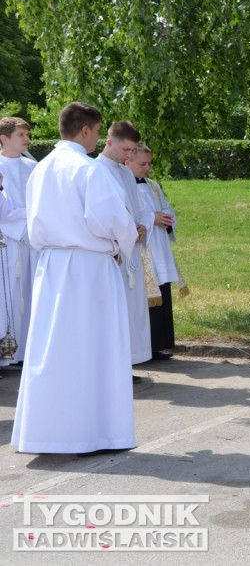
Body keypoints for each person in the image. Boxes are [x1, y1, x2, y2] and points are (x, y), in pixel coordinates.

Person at [10, 102, 139, 455]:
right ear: (86, 130)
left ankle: (48, 433)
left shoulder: (41, 168)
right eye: (98, 131)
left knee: (54, 348)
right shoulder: (87, 169)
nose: (98, 138)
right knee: (91, 347)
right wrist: (126, 237)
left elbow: (32, 222)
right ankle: (94, 433)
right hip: (89, 268)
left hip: (50, 266)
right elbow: (110, 219)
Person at [97, 121, 154, 371]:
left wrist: (142, 226)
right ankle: (113, 367)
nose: (129, 156)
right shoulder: (95, 170)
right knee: (114, 312)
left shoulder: (124, 172)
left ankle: (129, 362)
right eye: (126, 150)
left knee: (134, 310)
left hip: (131, 251)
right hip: (112, 254)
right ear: (110, 143)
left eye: (133, 151)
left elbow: (140, 209)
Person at [126, 144, 182, 360]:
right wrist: (152, 218)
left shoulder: (153, 185)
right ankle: (142, 349)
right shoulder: (124, 186)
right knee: (143, 299)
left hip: (159, 248)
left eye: (149, 163)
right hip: (141, 250)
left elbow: (166, 207)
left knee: (162, 295)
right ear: (127, 161)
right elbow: (128, 215)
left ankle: (159, 344)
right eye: (143, 164)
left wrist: (167, 217)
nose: (147, 168)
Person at [0, 116, 38, 365]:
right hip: (7, 243)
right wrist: (30, 216)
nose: (27, 139)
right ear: (4, 139)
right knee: (7, 297)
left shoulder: (34, 167)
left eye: (27, 135)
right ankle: (4, 352)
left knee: (30, 294)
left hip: (32, 243)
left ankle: (25, 351)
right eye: (21, 135)